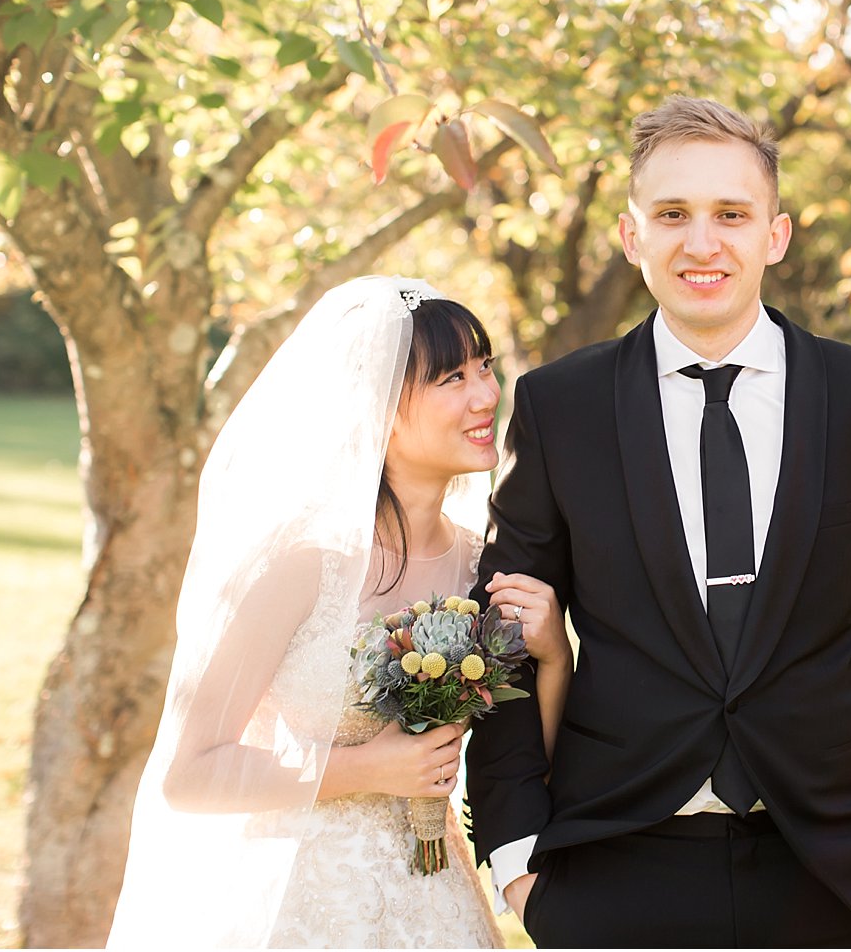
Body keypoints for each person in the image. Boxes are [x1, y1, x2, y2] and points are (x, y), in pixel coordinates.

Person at [466, 96, 851, 947]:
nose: (702, 243)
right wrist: (516, 851)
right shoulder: (561, 407)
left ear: (774, 234)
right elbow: (501, 633)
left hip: (839, 868)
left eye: (730, 214)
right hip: (613, 863)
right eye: (673, 215)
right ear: (634, 239)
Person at [106, 276, 571, 948]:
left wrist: (555, 654)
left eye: (485, 368)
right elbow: (188, 772)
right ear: (377, 406)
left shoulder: (482, 567)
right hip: (300, 905)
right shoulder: (299, 566)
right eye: (452, 378)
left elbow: (529, 766)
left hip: (436, 901)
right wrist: (366, 770)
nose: (487, 396)